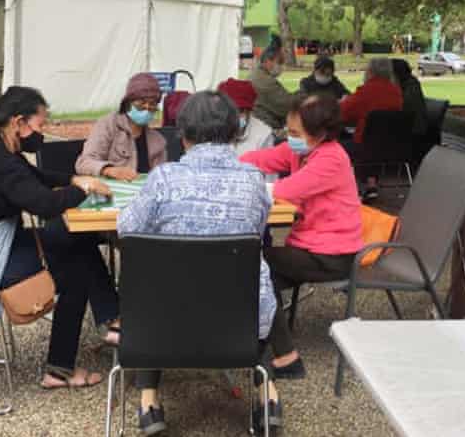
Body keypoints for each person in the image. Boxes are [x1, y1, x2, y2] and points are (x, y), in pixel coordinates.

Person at [117, 91, 284, 435]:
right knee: (258, 282)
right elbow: (258, 227)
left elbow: (127, 230)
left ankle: (149, 403)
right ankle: (269, 396)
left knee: (155, 283)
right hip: (240, 321)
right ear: (234, 130)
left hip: (164, 321)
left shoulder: (163, 179)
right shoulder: (253, 180)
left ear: (183, 133)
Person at [0, 88, 120, 389]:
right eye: (40, 125)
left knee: (79, 241)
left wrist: (73, 180)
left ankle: (112, 319)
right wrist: (84, 188)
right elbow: (44, 205)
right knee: (76, 271)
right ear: (18, 123)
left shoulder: (0, 152)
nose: (43, 132)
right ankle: (62, 369)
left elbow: (36, 178)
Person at [241, 93, 364, 378]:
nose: (289, 137)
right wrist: (236, 163)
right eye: (288, 130)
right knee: (254, 277)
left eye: (295, 133)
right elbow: (262, 158)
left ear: (320, 133)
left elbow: (284, 190)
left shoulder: (331, 159)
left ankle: (286, 357)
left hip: (332, 255)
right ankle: (263, 346)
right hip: (309, 249)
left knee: (252, 266)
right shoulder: (302, 150)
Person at [75, 73, 167, 180]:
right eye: (141, 103)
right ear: (128, 103)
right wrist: (108, 170)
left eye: (152, 104)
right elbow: (84, 163)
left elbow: (160, 177)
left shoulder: (158, 141)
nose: (147, 108)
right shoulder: (108, 125)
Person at [339, 57, 403, 200]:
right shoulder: (396, 92)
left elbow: (344, 112)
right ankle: (371, 184)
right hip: (392, 145)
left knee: (335, 145)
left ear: (371, 71)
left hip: (363, 145)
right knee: (373, 142)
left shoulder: (366, 91)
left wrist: (343, 102)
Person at [217, 77, 275, 156]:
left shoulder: (263, 134)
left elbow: (266, 165)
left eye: (240, 111)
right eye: (228, 110)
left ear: (249, 111)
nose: (234, 116)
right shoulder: (210, 128)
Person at [250, 34, 295, 131]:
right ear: (268, 61)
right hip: (264, 129)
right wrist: (305, 93)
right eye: (280, 62)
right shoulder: (264, 81)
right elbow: (288, 105)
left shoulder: (258, 74)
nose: (282, 66)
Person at [391, 58, 429, 136]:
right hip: (408, 129)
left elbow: (404, 109)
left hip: (412, 133)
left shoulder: (411, 87)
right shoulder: (409, 84)